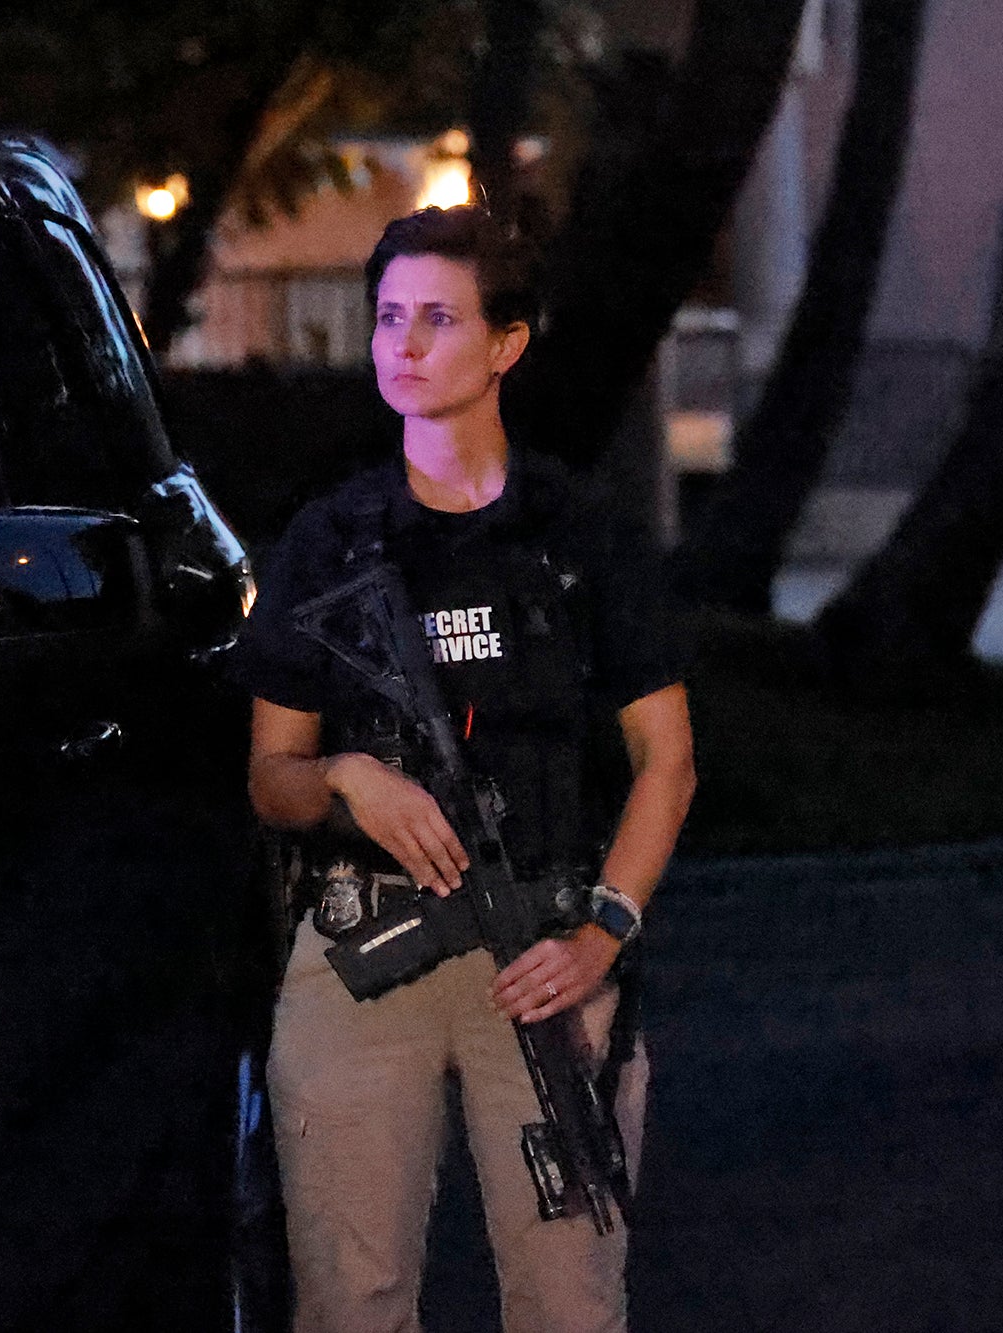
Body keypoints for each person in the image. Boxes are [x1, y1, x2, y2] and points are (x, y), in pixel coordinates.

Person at [231, 204, 696, 1333]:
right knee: (349, 1302)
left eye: (437, 318)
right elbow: (269, 777)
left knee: (567, 1304)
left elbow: (665, 760)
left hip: (542, 952)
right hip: (359, 950)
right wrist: (348, 775)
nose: (403, 343)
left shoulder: (578, 535)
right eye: (387, 317)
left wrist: (602, 933)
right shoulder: (328, 540)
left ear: (505, 343)